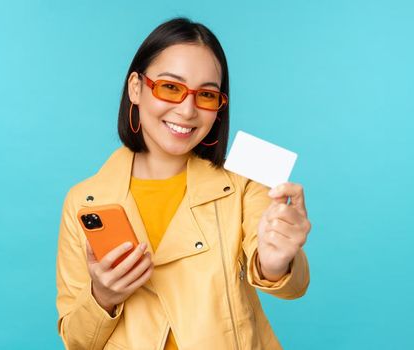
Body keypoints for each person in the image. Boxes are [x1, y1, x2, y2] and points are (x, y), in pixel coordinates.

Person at [55, 17, 312, 350]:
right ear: (136, 88)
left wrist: (277, 262)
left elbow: (291, 286)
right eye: (171, 87)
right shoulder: (84, 201)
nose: (188, 109)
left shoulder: (245, 183)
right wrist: (102, 296)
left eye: (206, 95)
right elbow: (76, 341)